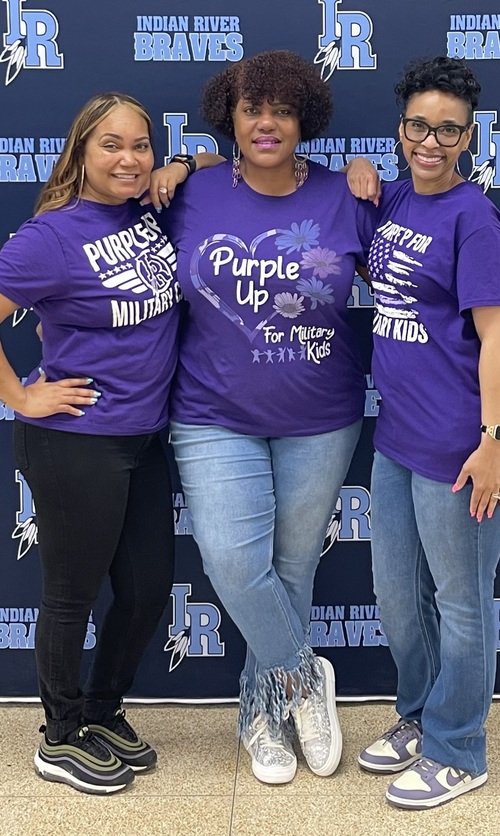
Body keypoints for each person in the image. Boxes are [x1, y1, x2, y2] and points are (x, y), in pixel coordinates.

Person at [0, 92, 221, 795]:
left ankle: (101, 710)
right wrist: (19, 394)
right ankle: (59, 734)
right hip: (75, 442)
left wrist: (183, 162)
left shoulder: (151, 211)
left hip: (143, 437)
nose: (128, 158)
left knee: (149, 585)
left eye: (141, 145)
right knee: (72, 593)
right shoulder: (53, 235)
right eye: (111, 146)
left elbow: (218, 159)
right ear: (81, 153)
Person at [159, 50, 375, 785]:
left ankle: (260, 712)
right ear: (230, 116)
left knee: (290, 567)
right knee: (233, 560)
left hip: (321, 414)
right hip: (213, 412)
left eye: (282, 109)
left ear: (303, 118)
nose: (267, 122)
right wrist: (179, 165)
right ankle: (305, 680)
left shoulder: (348, 196)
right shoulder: (191, 192)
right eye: (252, 108)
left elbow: (415, 273)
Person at [353, 57, 500, 809]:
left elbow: (498, 340)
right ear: (402, 128)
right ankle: (421, 714)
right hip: (400, 437)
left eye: (449, 130)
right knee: (398, 596)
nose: (432, 140)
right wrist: (360, 166)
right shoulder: (394, 199)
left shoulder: (475, 218)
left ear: (468, 137)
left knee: (461, 602)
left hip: (468, 447)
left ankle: (460, 749)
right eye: (420, 125)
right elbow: (327, 185)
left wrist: (493, 441)